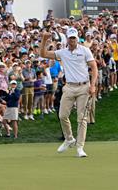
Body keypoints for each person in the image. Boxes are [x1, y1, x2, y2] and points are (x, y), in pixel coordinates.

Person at [40, 27, 98, 157]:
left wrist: (93, 85)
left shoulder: (85, 50)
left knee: (81, 118)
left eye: (74, 38)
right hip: (69, 87)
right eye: (70, 38)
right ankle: (69, 138)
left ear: (77, 38)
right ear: (67, 38)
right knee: (62, 115)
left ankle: (80, 148)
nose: (72, 40)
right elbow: (43, 54)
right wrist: (44, 40)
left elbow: (94, 67)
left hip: (84, 86)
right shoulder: (62, 52)